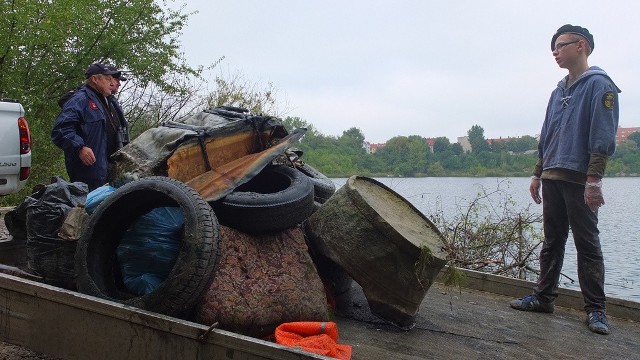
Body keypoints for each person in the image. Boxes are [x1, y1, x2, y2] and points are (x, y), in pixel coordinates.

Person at [509, 24, 620, 335]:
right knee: (552, 241)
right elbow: (548, 135)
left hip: (579, 178)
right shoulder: (558, 91)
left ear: (580, 46)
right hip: (552, 175)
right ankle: (544, 298)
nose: (555, 52)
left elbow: (603, 136)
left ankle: (596, 310)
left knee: (587, 244)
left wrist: (594, 180)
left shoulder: (601, 86)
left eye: (560, 45)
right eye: (553, 47)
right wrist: (536, 173)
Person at [52, 62, 123, 191]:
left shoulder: (108, 101)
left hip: (109, 169)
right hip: (89, 172)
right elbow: (60, 130)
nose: (111, 83)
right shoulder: (80, 99)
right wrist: (80, 148)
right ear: (95, 79)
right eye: (107, 79)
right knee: (90, 208)